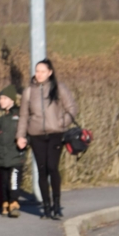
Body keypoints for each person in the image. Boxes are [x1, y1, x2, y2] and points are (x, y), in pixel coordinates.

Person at [16, 59, 78, 219]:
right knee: (42, 170)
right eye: (37, 71)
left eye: (43, 71)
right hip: (36, 135)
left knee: (52, 167)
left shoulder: (59, 88)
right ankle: (46, 206)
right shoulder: (28, 92)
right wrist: (20, 136)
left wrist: (61, 123)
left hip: (55, 134)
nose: (39, 74)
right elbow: (23, 115)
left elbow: (71, 107)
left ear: (50, 72)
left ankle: (57, 205)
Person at [0, 85, 25, 218]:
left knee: (14, 180)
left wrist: (24, 141)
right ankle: (5, 202)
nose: (1, 101)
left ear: (12, 100)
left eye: (5, 98)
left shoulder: (19, 114)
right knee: (4, 181)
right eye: (0, 98)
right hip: (0, 155)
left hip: (16, 155)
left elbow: (26, 131)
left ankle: (14, 202)